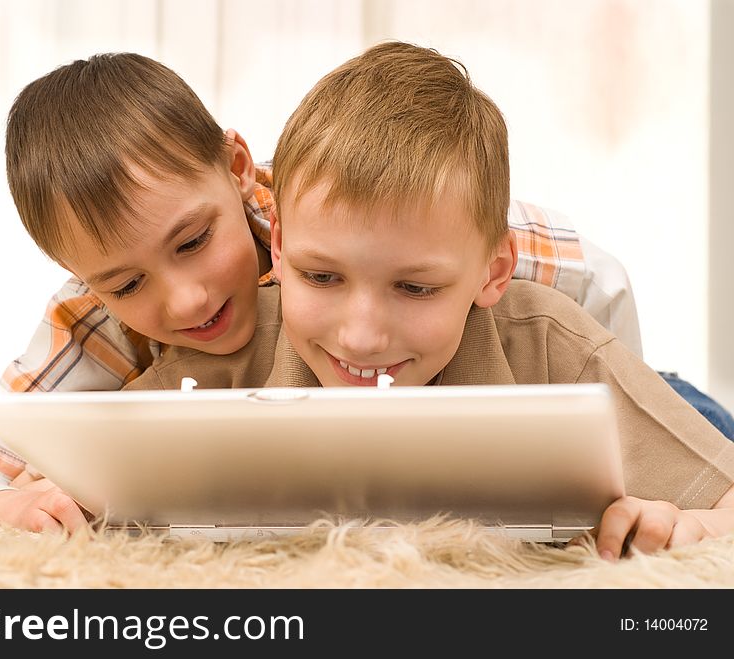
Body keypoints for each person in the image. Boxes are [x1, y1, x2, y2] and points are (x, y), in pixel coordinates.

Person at [0, 51, 692, 533]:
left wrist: (612, 417)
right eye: (127, 281)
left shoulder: (379, 222)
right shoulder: (95, 321)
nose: (182, 302)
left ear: (242, 172)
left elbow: (597, 277)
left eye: (193, 241)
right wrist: (3, 504)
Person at [123, 41, 734, 560]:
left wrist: (701, 525)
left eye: (414, 288)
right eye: (322, 277)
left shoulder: (552, 343)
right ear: (278, 248)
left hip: (652, 378)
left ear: (492, 273)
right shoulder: (226, 354)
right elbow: (77, 470)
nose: (361, 336)